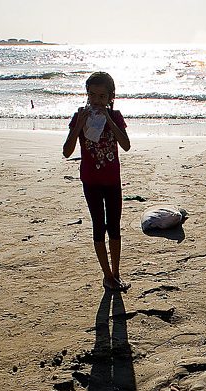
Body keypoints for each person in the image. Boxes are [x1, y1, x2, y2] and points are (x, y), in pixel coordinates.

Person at [63, 72, 131, 292]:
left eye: (102, 96)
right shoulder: (79, 116)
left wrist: (109, 119)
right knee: (98, 226)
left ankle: (116, 272)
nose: (96, 100)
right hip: (91, 181)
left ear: (111, 97)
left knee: (114, 227)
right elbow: (67, 151)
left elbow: (126, 145)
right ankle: (107, 275)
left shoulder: (116, 116)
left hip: (112, 181)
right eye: (92, 95)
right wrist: (79, 125)